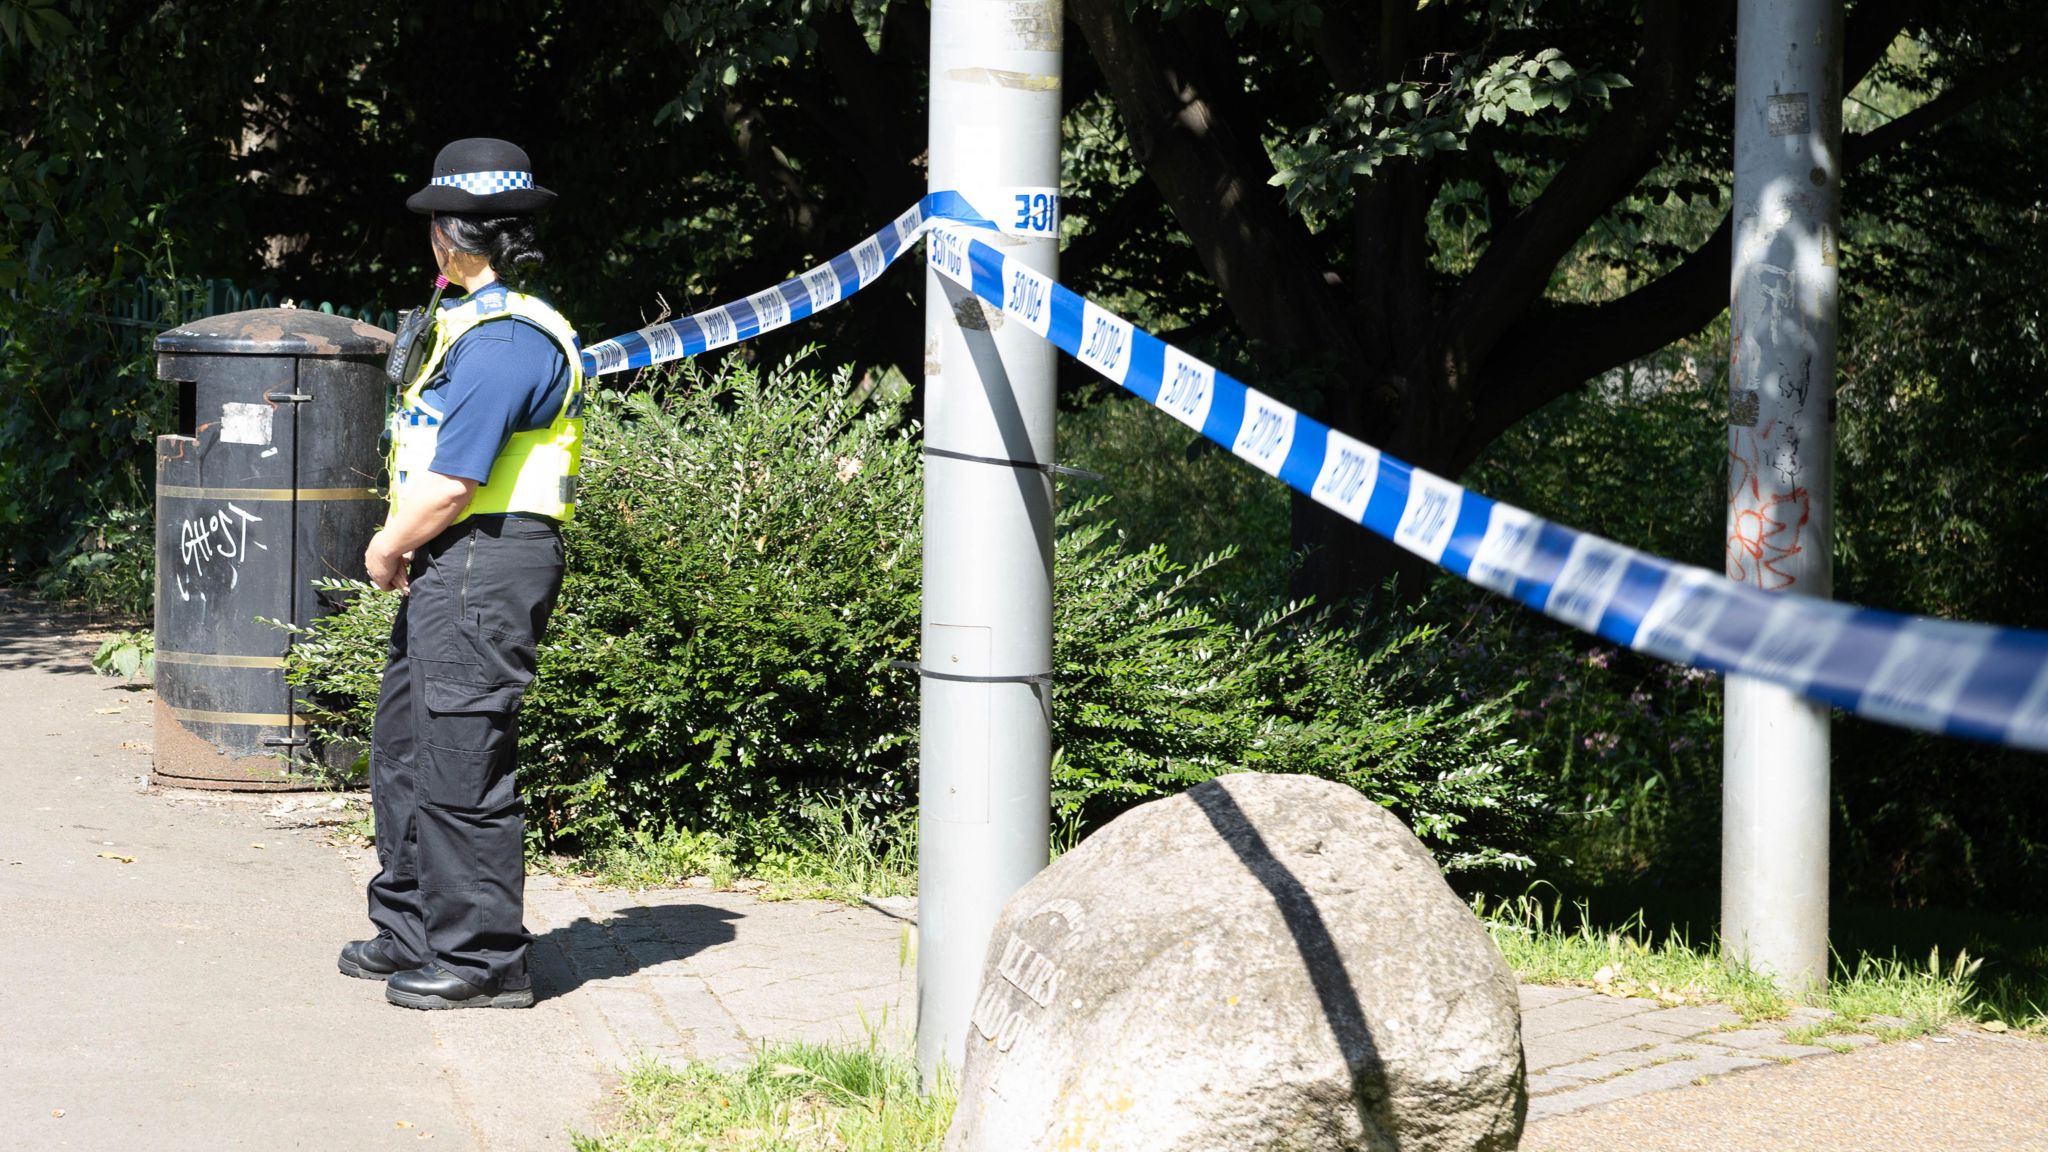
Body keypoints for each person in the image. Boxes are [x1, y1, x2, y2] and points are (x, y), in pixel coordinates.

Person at [337, 138, 584, 1009]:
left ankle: (482, 962)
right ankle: (410, 927)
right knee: (408, 747)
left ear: (447, 233)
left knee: (460, 760)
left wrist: (386, 545)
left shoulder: (509, 340)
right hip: (458, 562)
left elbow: (453, 481)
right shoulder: (474, 325)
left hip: (483, 558)